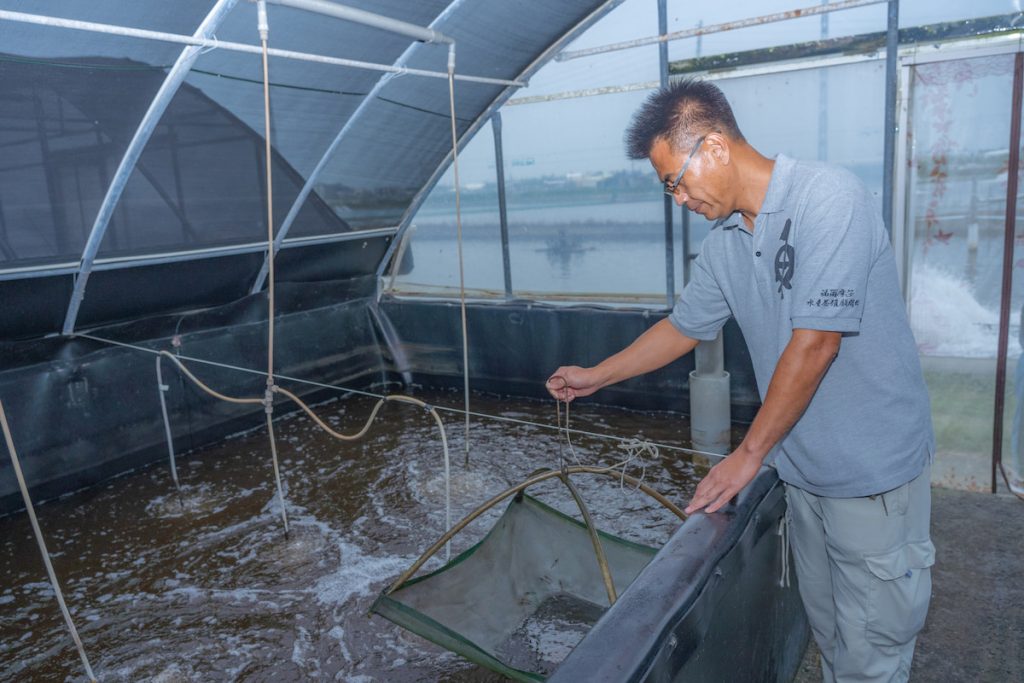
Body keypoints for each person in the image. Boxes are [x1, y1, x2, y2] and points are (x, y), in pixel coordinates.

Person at [545, 79, 935, 683]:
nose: (677, 199)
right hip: (805, 474)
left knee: (874, 653)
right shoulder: (727, 242)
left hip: (871, 475)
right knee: (830, 632)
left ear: (716, 147)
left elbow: (817, 343)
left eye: (675, 181)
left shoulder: (828, 199)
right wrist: (597, 376)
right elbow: (682, 327)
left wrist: (747, 456)